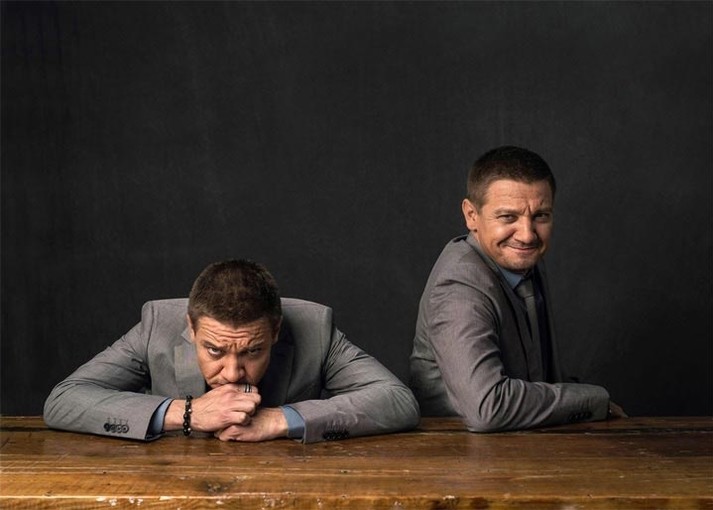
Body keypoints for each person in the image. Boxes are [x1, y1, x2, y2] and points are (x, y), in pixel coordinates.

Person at [45, 259, 420, 442]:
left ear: (275, 331)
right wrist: (187, 413)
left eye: (252, 352)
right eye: (214, 350)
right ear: (191, 328)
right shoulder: (157, 324)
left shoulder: (315, 327)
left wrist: (281, 420)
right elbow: (64, 400)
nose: (232, 372)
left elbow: (398, 400)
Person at [410, 145, 625, 432]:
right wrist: (592, 401)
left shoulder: (521, 261)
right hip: (460, 452)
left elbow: (538, 378)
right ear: (471, 215)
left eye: (541, 216)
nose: (527, 235)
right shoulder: (458, 286)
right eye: (508, 217)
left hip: (525, 443)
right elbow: (488, 407)